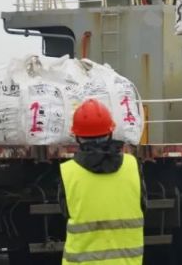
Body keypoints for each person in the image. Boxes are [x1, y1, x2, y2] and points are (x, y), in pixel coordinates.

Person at [58, 99, 145, 264]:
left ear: (77, 137)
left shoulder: (69, 172)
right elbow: (142, 207)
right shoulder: (132, 166)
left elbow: (66, 212)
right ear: (110, 133)